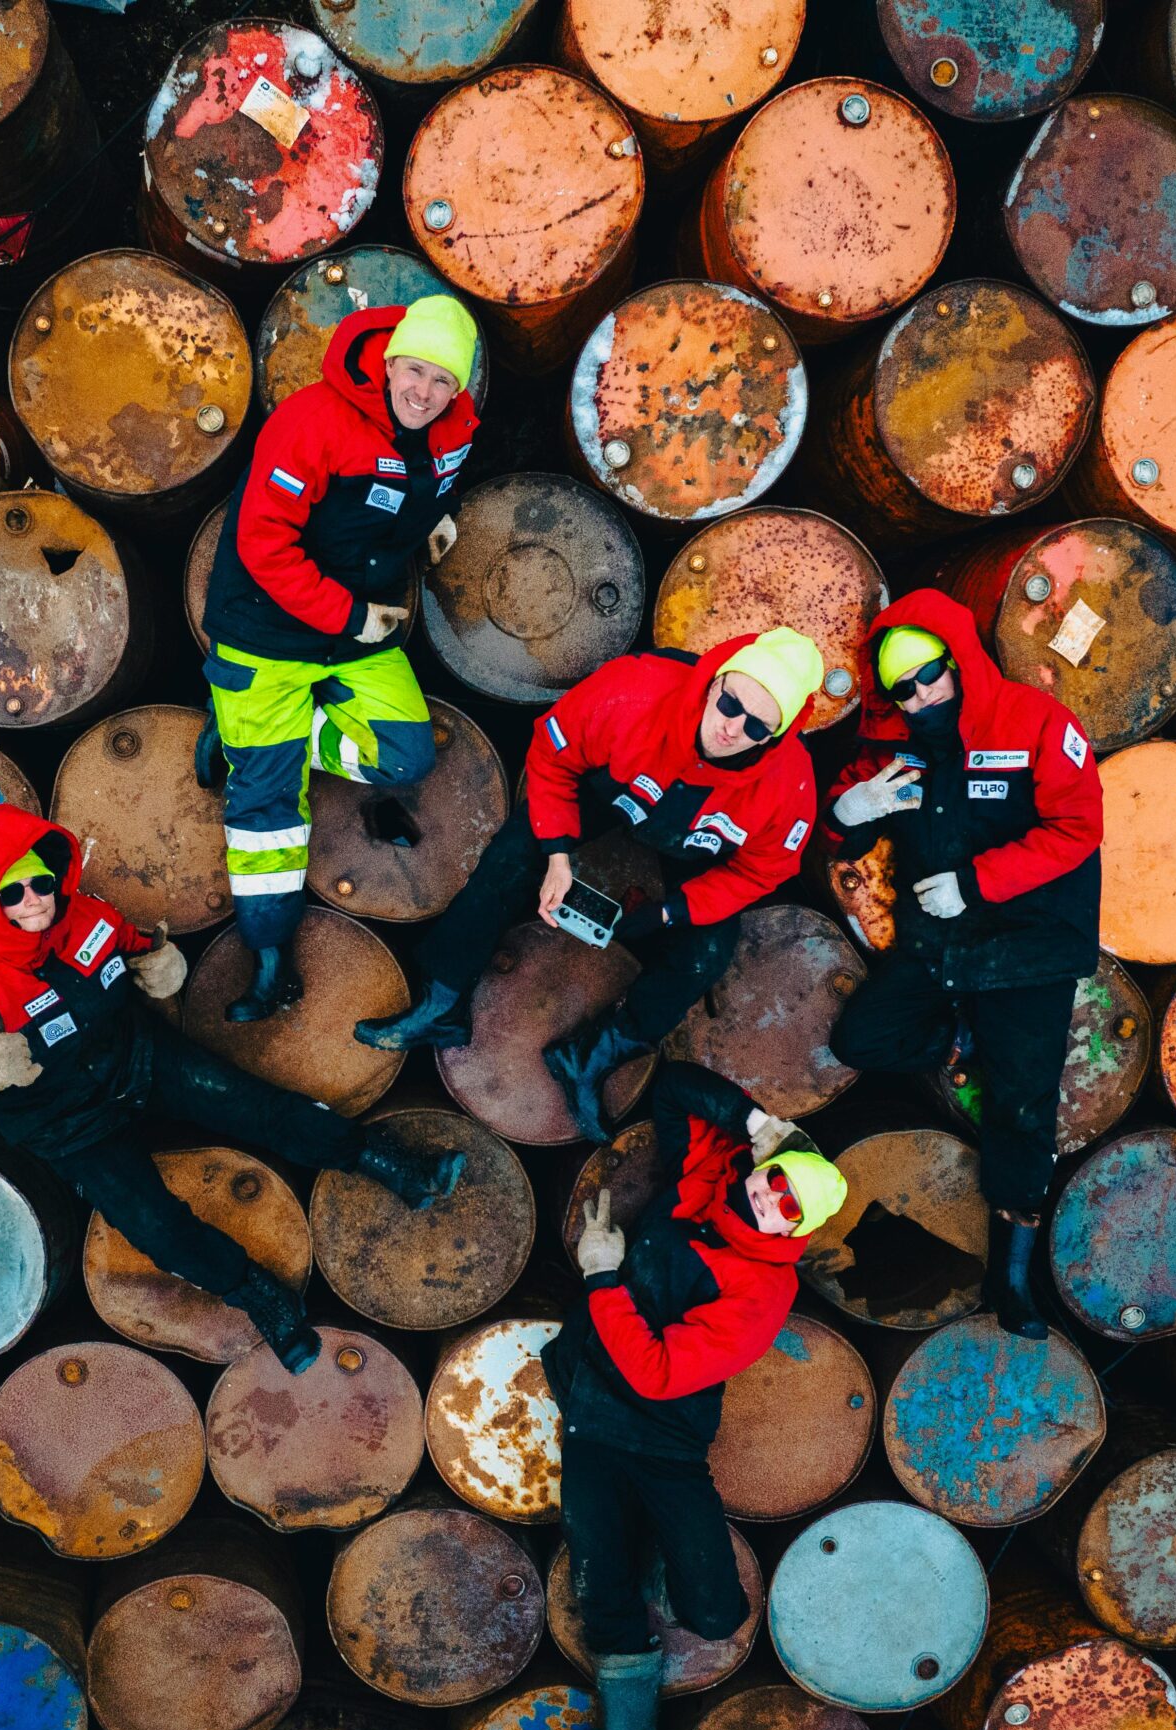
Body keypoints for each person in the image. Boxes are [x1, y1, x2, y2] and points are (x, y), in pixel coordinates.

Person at [0, 803, 467, 1373]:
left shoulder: (86, 916)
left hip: (137, 1060)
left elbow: (132, 946)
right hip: (67, 1127)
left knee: (258, 1107)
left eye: (41, 882)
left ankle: (394, 1166)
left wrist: (160, 965)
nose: (33, 899)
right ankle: (260, 1297)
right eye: (11, 892)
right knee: (155, 1227)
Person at [354, 627, 824, 1142]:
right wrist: (557, 855)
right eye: (730, 703)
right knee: (513, 855)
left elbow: (762, 870)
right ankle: (443, 1000)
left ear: (775, 736)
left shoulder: (790, 786)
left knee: (708, 953)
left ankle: (591, 1056)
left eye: (756, 725)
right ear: (716, 682)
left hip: (693, 845)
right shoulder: (634, 690)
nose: (732, 728)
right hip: (613, 793)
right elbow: (553, 754)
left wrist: (672, 911)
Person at [538, 1059, 846, 1730]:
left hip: (666, 1439)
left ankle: (657, 1554)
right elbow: (675, 1087)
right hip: (593, 1411)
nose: (768, 1200)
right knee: (598, 1579)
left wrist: (602, 1275)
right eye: (774, 1180)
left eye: (787, 1207)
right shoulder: (713, 1178)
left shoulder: (763, 1291)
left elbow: (657, 1372)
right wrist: (761, 1124)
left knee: (713, 1612)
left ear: (798, 1228)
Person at [820, 588, 1102, 1340]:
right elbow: (845, 815)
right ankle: (957, 1038)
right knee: (860, 1039)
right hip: (941, 944)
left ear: (960, 660)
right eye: (902, 689)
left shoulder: (1036, 723)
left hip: (1027, 945)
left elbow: (1077, 827)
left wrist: (975, 883)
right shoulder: (899, 745)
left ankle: (1012, 1279)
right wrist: (847, 813)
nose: (919, 697)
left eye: (929, 676)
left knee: (1022, 1106)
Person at [194, 293, 482, 1022]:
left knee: (406, 756)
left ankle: (254, 738)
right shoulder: (312, 423)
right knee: (265, 808)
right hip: (266, 629)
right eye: (413, 371)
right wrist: (352, 617)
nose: (423, 391)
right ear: (388, 364)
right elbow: (264, 545)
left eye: (442, 380)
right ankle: (268, 955)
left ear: (458, 388)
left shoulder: (454, 427)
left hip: (351, 630)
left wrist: (430, 522)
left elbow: (413, 483)